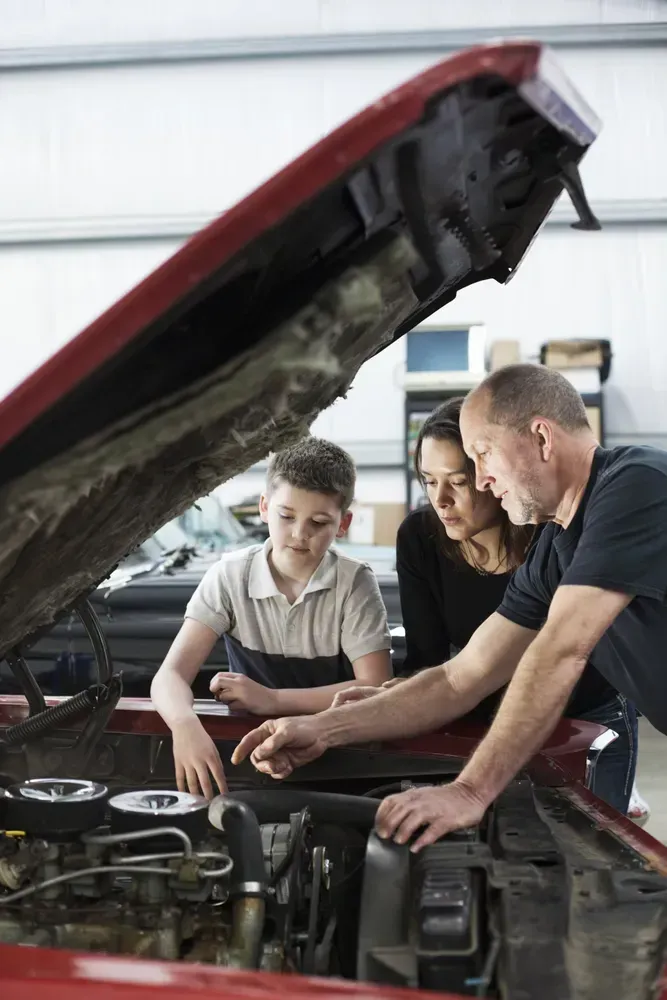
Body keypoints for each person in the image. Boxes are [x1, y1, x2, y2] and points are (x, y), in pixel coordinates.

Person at [232, 364, 667, 851]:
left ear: (542, 438)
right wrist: (322, 729)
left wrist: (470, 790)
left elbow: (560, 649)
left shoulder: (635, 485)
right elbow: (461, 677)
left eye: (482, 455)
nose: (483, 479)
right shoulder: (554, 549)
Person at [336, 397, 636, 813]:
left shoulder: (550, 537)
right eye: (429, 481)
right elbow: (432, 662)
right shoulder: (420, 538)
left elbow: (561, 657)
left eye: (458, 482)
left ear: (492, 474)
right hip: (484, 721)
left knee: (592, 842)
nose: (440, 500)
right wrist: (389, 702)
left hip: (586, 721)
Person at [151, 436, 392, 798]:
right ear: (264, 507)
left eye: (319, 522)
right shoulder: (230, 576)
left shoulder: (354, 582)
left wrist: (273, 699)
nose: (299, 534)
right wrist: (185, 726)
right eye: (286, 516)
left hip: (338, 761)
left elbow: (375, 687)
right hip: (250, 760)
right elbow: (169, 676)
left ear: (343, 524)